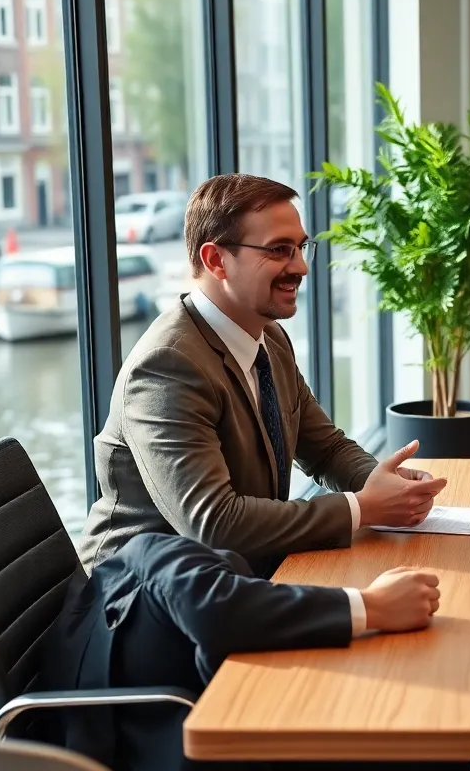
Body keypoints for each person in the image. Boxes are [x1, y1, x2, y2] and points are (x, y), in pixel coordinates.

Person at [38, 532, 470, 771]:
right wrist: (369, 606)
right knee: (436, 767)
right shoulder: (161, 554)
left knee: (371, 747)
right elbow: (218, 613)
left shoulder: (126, 572)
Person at [78, 173, 445, 580]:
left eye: (301, 248)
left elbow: (325, 449)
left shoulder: (269, 337)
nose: (301, 267)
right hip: (141, 598)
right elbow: (214, 523)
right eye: (279, 250)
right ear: (216, 260)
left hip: (232, 581)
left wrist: (383, 482)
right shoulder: (167, 365)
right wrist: (363, 507)